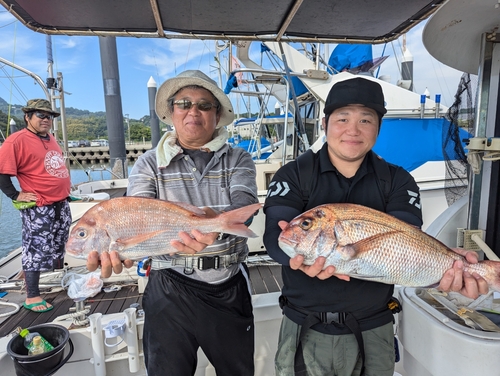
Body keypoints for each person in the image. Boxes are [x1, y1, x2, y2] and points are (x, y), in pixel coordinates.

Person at [263, 77, 489, 376]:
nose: (353, 130)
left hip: (374, 327)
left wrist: (449, 263)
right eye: (342, 118)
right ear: (325, 122)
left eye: (366, 120)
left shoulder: (398, 180)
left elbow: (406, 242)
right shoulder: (294, 174)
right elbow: (274, 235)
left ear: (378, 127)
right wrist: (298, 260)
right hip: (304, 324)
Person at [86, 70, 259, 376]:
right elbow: (137, 213)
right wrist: (124, 252)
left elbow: (244, 202)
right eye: (184, 103)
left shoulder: (239, 158)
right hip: (169, 285)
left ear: (217, 115)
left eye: (205, 105)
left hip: (229, 283)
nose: (194, 110)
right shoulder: (149, 163)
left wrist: (213, 226)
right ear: (171, 112)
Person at [0, 99, 72, 313]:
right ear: (27, 117)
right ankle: (32, 296)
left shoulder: (50, 138)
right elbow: (3, 173)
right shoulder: (16, 141)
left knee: (59, 243)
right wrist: (15, 195)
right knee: (35, 249)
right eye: (41, 115)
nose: (46, 120)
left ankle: (55, 278)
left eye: (49, 116)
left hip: (61, 203)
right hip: (39, 206)